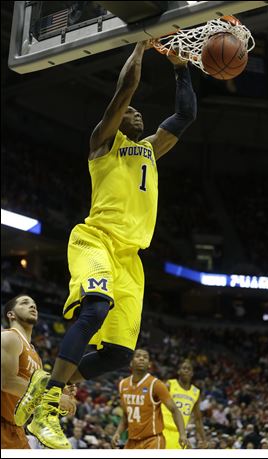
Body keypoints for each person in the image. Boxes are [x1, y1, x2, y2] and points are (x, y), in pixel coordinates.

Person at [17, 38, 197, 449]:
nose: (134, 112)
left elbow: (185, 113)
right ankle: (48, 403)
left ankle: (46, 382)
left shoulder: (150, 148)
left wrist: (179, 66)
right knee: (95, 307)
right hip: (95, 239)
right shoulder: (102, 143)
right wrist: (139, 46)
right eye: (127, 111)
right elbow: (125, 91)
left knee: (116, 353)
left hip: (130, 259)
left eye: (138, 113)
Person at [1, 294, 76, 449]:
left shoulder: (36, 355)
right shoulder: (9, 337)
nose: (32, 306)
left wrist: (60, 391)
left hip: (16, 429)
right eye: (24, 303)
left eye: (34, 304)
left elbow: (32, 395)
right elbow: (7, 382)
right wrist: (53, 397)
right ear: (11, 314)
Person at [111, 349, 189, 449]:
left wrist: (182, 434)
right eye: (138, 356)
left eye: (145, 357)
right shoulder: (122, 384)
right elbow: (126, 416)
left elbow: (175, 410)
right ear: (131, 363)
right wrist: (118, 433)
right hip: (132, 441)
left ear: (149, 365)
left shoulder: (156, 384)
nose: (141, 358)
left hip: (152, 440)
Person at [161, 359, 207, 449]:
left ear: (192, 373)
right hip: (163, 430)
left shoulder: (195, 392)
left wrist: (204, 439)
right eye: (184, 368)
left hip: (180, 435)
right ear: (179, 371)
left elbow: (198, 420)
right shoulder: (170, 384)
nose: (186, 370)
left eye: (189, 369)